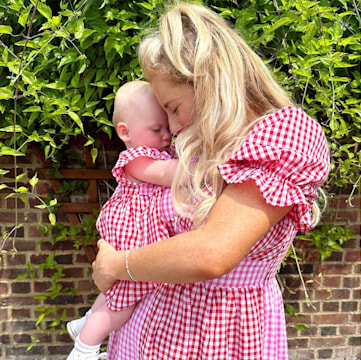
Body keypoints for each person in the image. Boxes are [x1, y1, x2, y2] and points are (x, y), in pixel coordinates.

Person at [91, 3, 330, 359]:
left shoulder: (282, 135)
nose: (172, 128)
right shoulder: (199, 147)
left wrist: (115, 264)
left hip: (218, 332)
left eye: (172, 108)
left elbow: (211, 253)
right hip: (143, 329)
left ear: (209, 80)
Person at [66, 81, 189, 360]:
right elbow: (170, 174)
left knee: (119, 290)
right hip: (132, 229)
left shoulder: (154, 149)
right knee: (125, 299)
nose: (166, 135)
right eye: (157, 129)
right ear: (125, 132)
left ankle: (85, 323)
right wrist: (203, 163)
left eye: (167, 128)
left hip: (138, 227)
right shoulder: (135, 159)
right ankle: (84, 349)